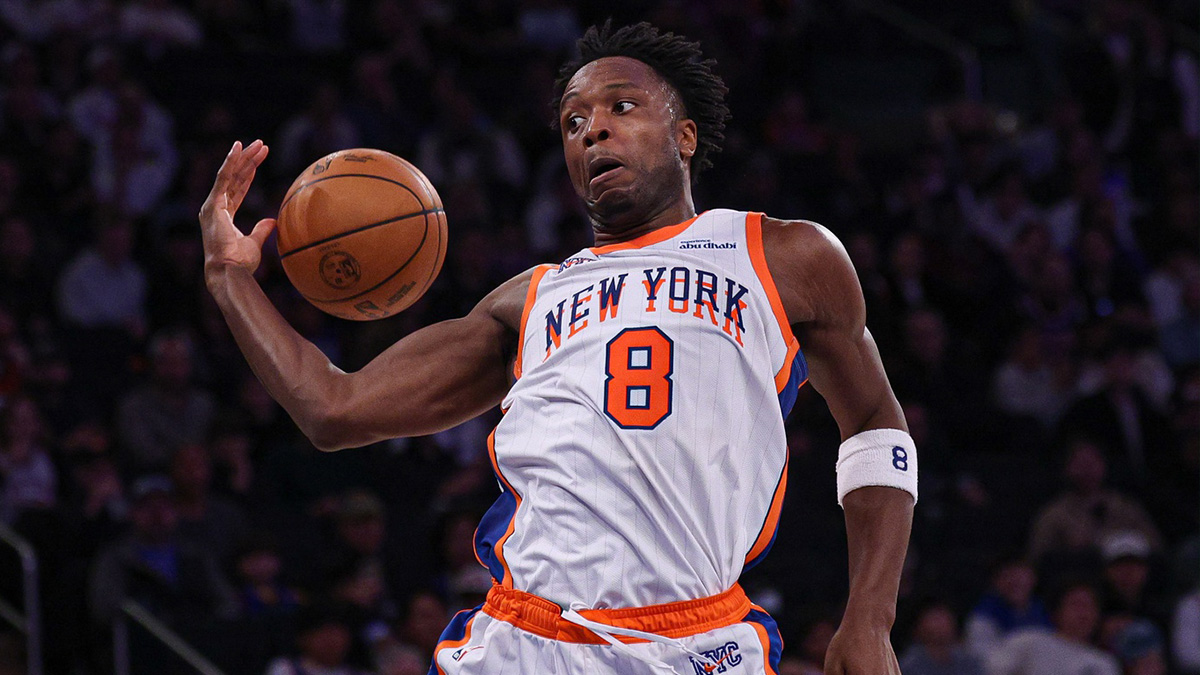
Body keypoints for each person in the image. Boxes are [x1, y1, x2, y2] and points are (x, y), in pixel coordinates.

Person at [198, 22, 916, 674]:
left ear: (686, 136)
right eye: (574, 122)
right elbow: (335, 407)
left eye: (620, 108)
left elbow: (877, 425)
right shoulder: (529, 299)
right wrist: (231, 278)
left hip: (696, 640)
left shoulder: (783, 254)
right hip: (525, 638)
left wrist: (871, 616)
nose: (592, 131)